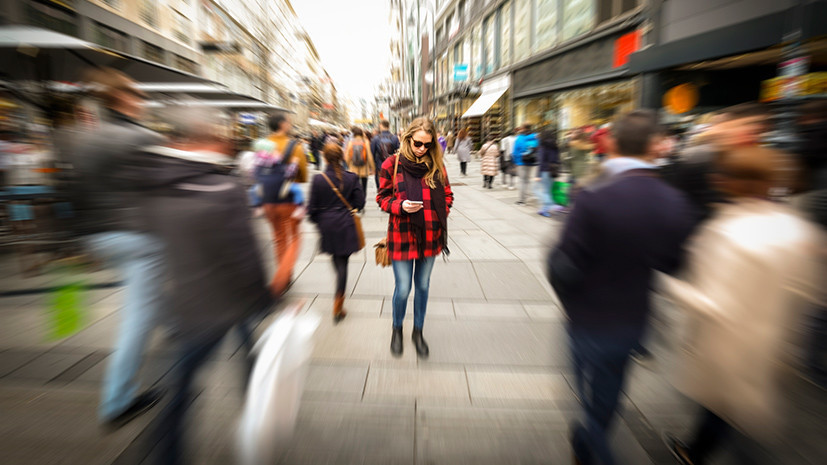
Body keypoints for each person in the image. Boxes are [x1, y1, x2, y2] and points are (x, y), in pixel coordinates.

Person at [547, 110, 695, 465]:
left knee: (584, 391)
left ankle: (593, 446)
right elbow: (674, 263)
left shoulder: (593, 195)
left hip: (586, 316)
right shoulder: (673, 201)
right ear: (655, 148)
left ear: (612, 143)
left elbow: (562, 264)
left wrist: (570, 301)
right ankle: (586, 441)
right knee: (607, 394)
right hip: (632, 318)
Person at [661, 146, 824, 465]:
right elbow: (814, 290)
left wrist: (669, 285)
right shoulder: (797, 228)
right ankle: (694, 450)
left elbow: (712, 302)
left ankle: (695, 452)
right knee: (742, 413)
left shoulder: (728, 231)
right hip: (775, 343)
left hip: (729, 344)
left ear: (729, 182)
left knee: (727, 409)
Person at [137, 104, 272, 465]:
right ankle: (256, 415)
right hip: (225, 302)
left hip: (182, 301)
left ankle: (167, 454)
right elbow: (245, 256)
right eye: (218, 134)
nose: (225, 141)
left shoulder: (154, 183)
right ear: (202, 139)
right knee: (250, 356)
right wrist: (266, 299)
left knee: (179, 388)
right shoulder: (223, 188)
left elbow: (151, 236)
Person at [71, 68, 166, 429]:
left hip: (97, 236)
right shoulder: (143, 138)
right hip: (138, 238)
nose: (142, 103)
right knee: (138, 317)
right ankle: (117, 401)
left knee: (149, 295)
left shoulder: (86, 139)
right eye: (138, 96)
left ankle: (172, 323)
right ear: (123, 98)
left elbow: (75, 192)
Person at [376, 117, 453, 359]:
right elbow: (382, 197)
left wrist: (441, 212)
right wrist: (399, 206)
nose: (422, 149)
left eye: (427, 145)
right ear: (408, 138)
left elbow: (448, 195)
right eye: (418, 143)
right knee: (402, 289)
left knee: (422, 286)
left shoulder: (436, 166)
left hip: (431, 236)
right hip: (402, 234)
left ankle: (418, 332)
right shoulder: (391, 164)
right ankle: (397, 329)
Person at [308, 143, 366, 323]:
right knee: (343, 263)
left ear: (324, 158)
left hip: (327, 225)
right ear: (342, 157)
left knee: (336, 260)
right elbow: (360, 203)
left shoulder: (319, 179)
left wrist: (321, 222)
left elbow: (311, 210)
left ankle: (338, 300)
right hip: (345, 224)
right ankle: (338, 305)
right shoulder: (351, 177)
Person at [253, 111, 309, 297]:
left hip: (267, 200)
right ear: (283, 125)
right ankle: (282, 277)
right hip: (288, 200)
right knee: (295, 238)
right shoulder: (295, 146)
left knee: (278, 238)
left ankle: (286, 274)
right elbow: (302, 175)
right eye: (289, 122)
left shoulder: (261, 144)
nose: (290, 124)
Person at [343, 127, 375, 208]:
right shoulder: (366, 142)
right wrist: (372, 167)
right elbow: (370, 156)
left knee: (354, 186)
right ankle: (362, 203)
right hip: (364, 168)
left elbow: (346, 156)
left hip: (353, 169)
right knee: (364, 186)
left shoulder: (351, 142)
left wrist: (349, 165)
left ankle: (356, 204)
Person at [535, 128, 561, 216]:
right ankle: (544, 209)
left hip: (545, 170)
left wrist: (538, 175)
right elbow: (558, 159)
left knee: (544, 191)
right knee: (549, 191)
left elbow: (541, 161)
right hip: (553, 170)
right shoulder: (555, 145)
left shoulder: (543, 146)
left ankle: (548, 208)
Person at [512, 124, 539, 205]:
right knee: (528, 179)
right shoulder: (535, 137)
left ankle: (522, 200)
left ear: (523, 128)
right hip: (532, 161)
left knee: (522, 181)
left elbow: (515, 151)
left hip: (521, 162)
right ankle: (530, 195)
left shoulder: (520, 138)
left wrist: (515, 162)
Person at [371, 119, 400, 189]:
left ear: (381, 126)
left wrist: (373, 166)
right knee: (392, 184)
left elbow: (372, 153)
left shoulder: (376, 139)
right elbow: (399, 152)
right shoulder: (394, 138)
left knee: (380, 185)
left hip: (379, 165)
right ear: (388, 126)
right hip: (392, 165)